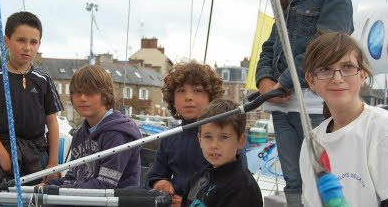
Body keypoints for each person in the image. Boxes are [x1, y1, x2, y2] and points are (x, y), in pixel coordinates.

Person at [255, 0, 354, 205]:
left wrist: (283, 82)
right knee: (294, 180)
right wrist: (264, 81)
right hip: (281, 106)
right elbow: (269, 46)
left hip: (314, 106)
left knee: (320, 175)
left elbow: (322, 49)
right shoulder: (286, 3)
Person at [299, 32, 388, 207]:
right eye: (325, 69)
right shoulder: (311, 142)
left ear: (362, 76)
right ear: (311, 80)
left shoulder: (381, 128)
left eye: (347, 67)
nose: (337, 78)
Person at [0, 11, 63, 184]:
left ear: (39, 44)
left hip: (37, 155)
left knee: (36, 200)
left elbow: (51, 121)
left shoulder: (43, 79)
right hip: (2, 154)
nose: (27, 47)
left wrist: (53, 163)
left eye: (33, 42)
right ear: (7, 41)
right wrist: (3, 156)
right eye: (21, 40)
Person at [145, 61, 247, 207]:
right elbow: (155, 174)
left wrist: (188, 203)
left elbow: (233, 185)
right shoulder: (170, 137)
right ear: (172, 99)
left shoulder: (224, 138)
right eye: (181, 90)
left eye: (197, 90)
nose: (188, 97)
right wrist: (159, 183)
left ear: (210, 97)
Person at [43, 65, 142, 188]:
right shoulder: (79, 134)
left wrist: (55, 190)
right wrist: (46, 185)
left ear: (106, 94)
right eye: (77, 93)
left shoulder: (118, 134)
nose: (83, 98)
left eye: (90, 92)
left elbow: (105, 185)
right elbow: (73, 178)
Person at [182, 99, 262, 207]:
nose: (214, 145)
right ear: (200, 140)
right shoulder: (198, 178)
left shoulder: (242, 188)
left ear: (240, 141)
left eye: (224, 137)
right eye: (208, 137)